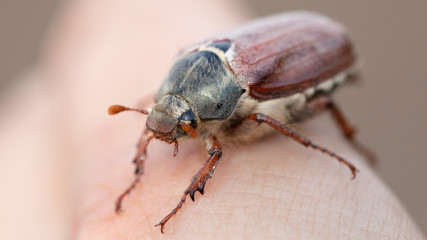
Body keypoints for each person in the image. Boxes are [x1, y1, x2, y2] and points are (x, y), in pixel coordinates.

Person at [0, 0, 423, 239]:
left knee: (289, 116)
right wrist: (138, 171)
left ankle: (324, 143)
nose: (171, 131)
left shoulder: (239, 103)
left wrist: (317, 147)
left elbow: (221, 142)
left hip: (324, 51)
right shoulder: (180, 73)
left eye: (183, 125)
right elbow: (157, 121)